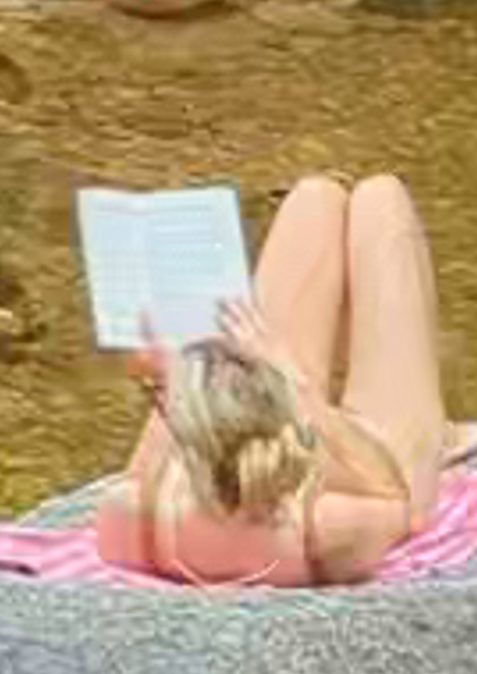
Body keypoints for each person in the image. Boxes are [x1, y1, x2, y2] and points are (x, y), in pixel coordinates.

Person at [94, 176, 455, 585]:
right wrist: (291, 378)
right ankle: (442, 437)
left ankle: (213, 362)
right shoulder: (322, 528)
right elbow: (395, 498)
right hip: (361, 455)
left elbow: (151, 461)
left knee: (315, 197)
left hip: (264, 433)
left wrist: (175, 361)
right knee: (381, 198)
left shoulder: (133, 515)